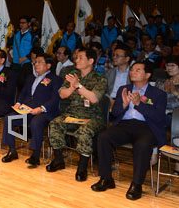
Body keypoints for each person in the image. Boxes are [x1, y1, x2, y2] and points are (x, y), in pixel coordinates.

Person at [91, 62, 167, 201]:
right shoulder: (123, 89)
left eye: (138, 70)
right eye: (132, 70)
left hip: (147, 127)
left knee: (143, 144)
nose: (133, 72)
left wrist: (139, 105)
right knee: (104, 137)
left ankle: (136, 184)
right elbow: (115, 113)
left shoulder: (158, 94)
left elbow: (159, 118)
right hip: (125, 125)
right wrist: (124, 104)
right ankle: (106, 178)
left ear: (148, 75)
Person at [46, 47, 107, 182]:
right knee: (55, 123)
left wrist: (79, 86)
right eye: (76, 57)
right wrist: (72, 87)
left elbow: (94, 98)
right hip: (73, 113)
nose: (76, 60)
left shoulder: (100, 78)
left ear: (90, 61)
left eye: (80, 57)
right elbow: (62, 94)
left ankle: (82, 166)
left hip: (92, 116)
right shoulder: (73, 74)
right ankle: (58, 159)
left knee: (85, 131)